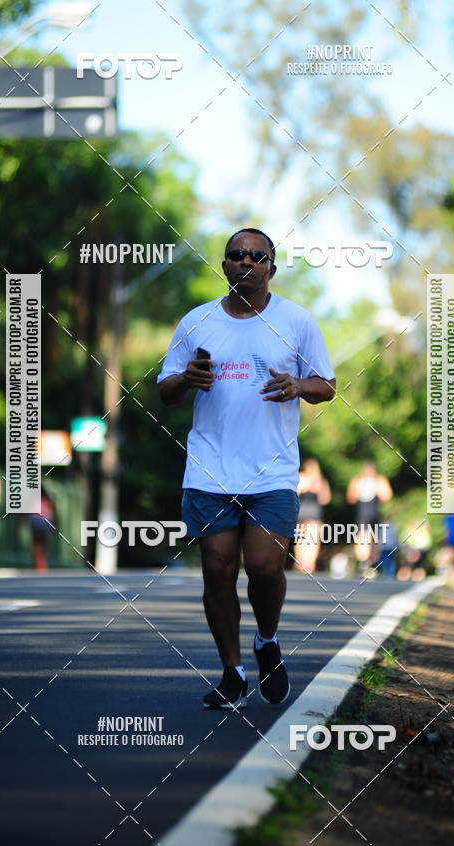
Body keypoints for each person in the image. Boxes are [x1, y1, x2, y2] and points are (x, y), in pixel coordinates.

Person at [157, 228, 336, 709]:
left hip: (272, 471)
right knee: (217, 572)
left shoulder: (297, 322)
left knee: (263, 566)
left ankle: (268, 641)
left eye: (257, 256)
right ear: (225, 265)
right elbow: (165, 388)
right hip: (209, 469)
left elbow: (327, 386)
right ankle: (233, 672)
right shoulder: (198, 321)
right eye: (236, 255)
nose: (246, 262)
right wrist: (185, 380)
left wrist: (299, 386)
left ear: (271, 268)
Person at [346, 461, 392, 574]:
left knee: (374, 540)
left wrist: (378, 486)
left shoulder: (380, 480)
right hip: (362, 514)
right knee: (362, 537)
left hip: (375, 514)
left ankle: (372, 562)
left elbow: (387, 496)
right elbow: (350, 498)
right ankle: (363, 561)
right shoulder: (357, 481)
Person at [294, 458, 331, 573]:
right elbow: (325, 499)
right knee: (313, 539)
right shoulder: (320, 481)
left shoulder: (300, 477)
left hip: (301, 511)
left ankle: (301, 561)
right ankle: (309, 563)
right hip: (314, 512)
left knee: (300, 539)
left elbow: (295, 493)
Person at [27, 487, 56, 571]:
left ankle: (37, 562)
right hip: (44, 521)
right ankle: (41, 563)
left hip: (34, 521)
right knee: (43, 544)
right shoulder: (48, 499)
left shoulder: (31, 499)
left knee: (36, 543)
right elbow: (53, 512)